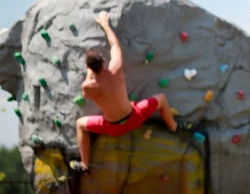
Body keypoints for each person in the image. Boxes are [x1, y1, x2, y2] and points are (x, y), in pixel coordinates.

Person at [70, 11, 191, 173]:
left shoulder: (89, 87)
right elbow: (115, 46)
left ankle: (85, 165)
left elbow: (86, 90)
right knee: (161, 99)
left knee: (80, 124)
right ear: (104, 61)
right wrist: (105, 24)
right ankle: (174, 126)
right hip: (135, 117)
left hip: (112, 127)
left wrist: (89, 73)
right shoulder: (116, 68)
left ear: (89, 68)